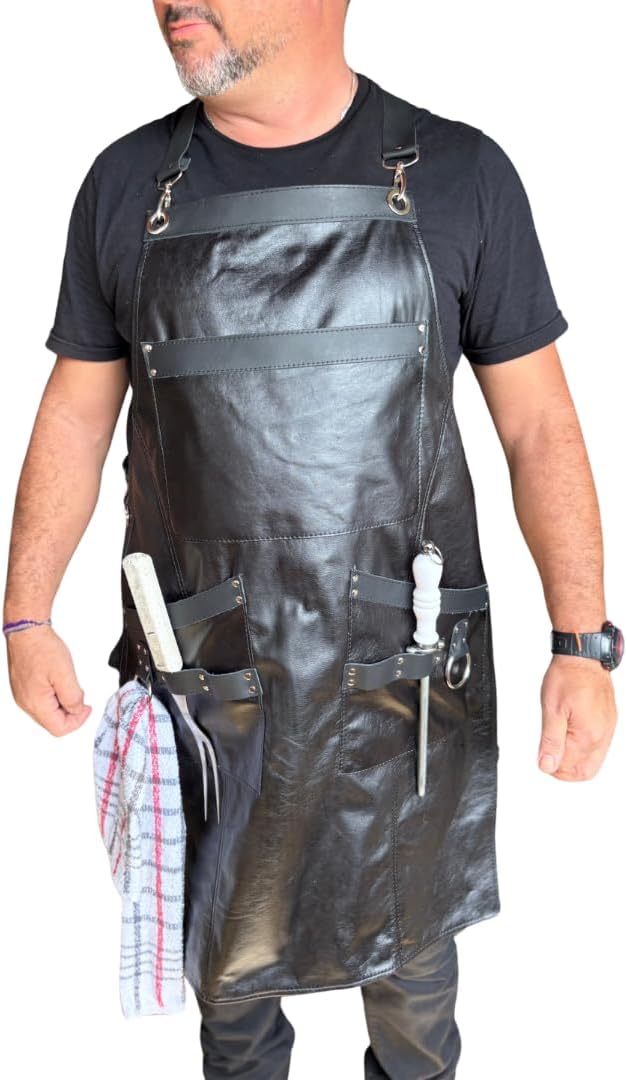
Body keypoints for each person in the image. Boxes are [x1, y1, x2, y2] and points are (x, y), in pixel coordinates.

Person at [3, 2, 621, 1078]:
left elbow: (538, 425)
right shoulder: (125, 184)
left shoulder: (460, 174)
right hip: (211, 677)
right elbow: (75, 414)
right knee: (230, 988)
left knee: (414, 985)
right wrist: (25, 613)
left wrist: (583, 643)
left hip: (403, 684)